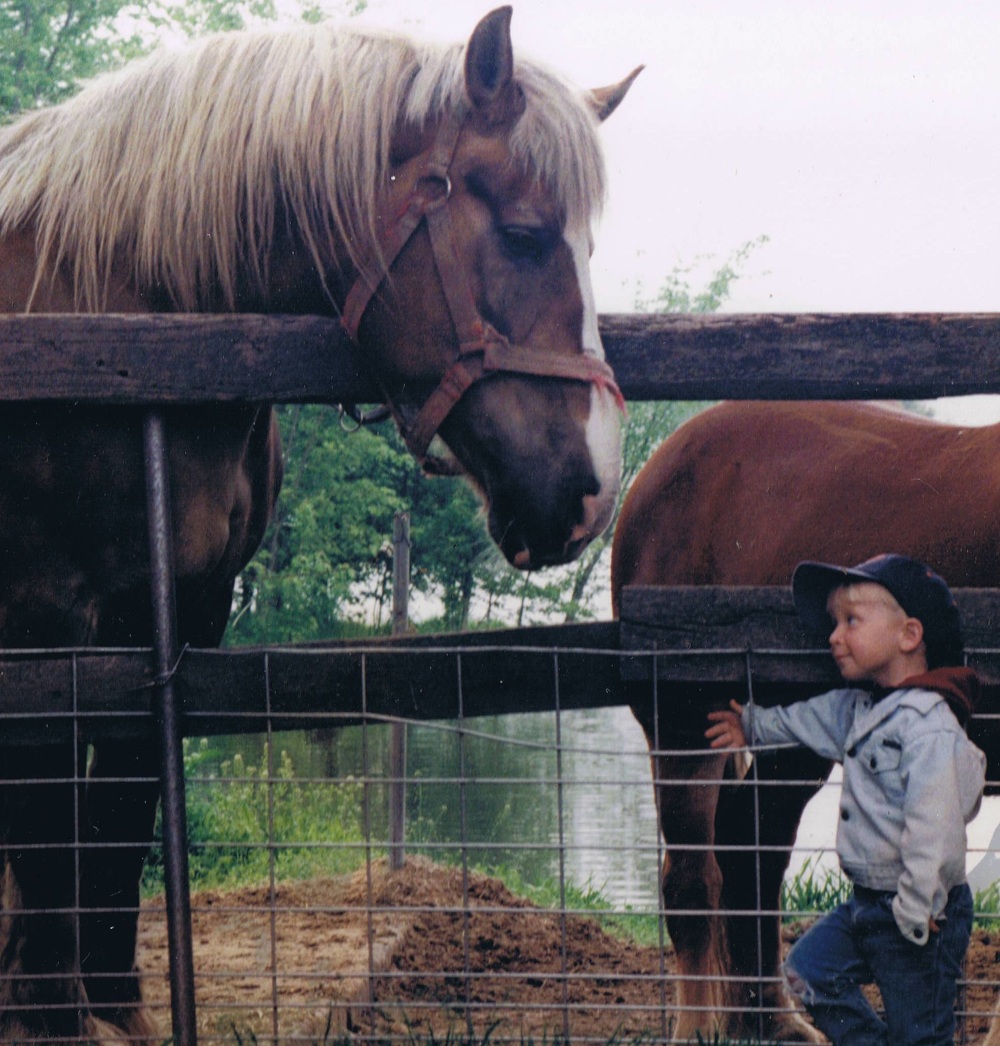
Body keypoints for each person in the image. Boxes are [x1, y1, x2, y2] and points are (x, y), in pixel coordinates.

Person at [705, 553, 987, 1046]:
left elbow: (936, 829)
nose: (835, 636)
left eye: (851, 620)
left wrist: (916, 908)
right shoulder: (857, 709)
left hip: (921, 910)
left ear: (909, 636)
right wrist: (751, 725)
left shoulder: (930, 729)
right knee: (807, 971)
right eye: (835, 623)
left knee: (920, 1031)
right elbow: (801, 721)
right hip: (865, 904)